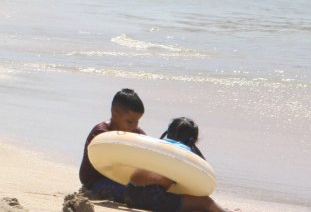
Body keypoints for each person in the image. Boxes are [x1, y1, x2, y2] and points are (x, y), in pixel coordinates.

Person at [78, 88, 225, 212]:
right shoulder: (101, 132)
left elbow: (151, 156)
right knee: (134, 192)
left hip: (125, 180)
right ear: (115, 113)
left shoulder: (136, 132)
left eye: (137, 121)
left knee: (153, 187)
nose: (134, 126)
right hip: (97, 180)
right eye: (130, 121)